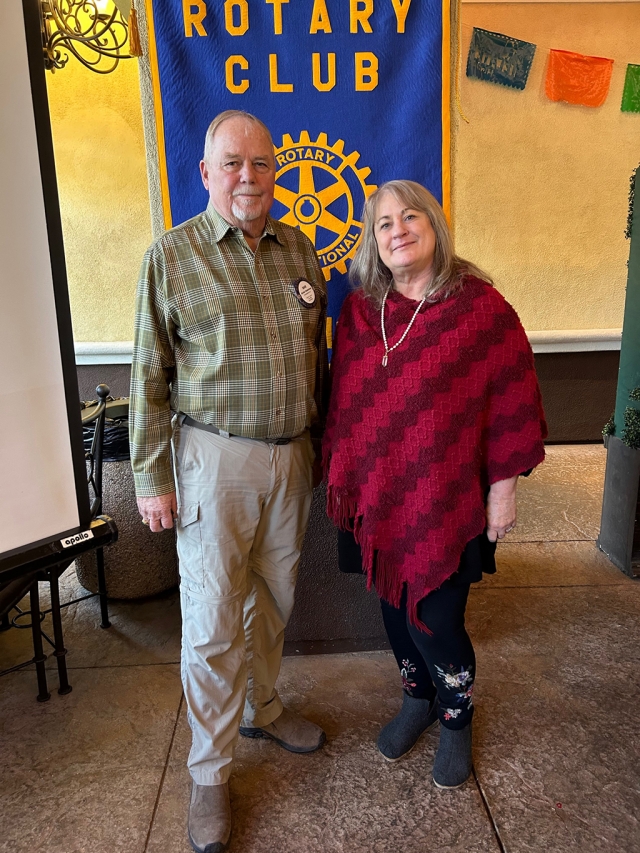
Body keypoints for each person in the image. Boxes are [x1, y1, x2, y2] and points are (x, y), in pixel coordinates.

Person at [129, 110, 329, 853]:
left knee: (274, 599)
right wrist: (153, 477)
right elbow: (149, 374)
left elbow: (321, 359)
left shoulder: (301, 251)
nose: (250, 176)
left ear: (276, 171)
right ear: (207, 173)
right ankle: (209, 772)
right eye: (233, 164)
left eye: (262, 164)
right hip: (212, 459)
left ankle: (263, 708)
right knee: (214, 617)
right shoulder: (172, 256)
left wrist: (323, 445)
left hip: (291, 456)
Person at [322, 180, 546, 789]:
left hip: (448, 502)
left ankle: (455, 719)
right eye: (384, 222)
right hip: (381, 498)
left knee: (438, 619)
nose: (398, 230)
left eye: (410, 216)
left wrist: (503, 490)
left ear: (434, 226)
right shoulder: (364, 311)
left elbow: (511, 405)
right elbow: (348, 403)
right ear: (373, 240)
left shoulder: (480, 308)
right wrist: (350, 480)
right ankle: (416, 700)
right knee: (394, 610)